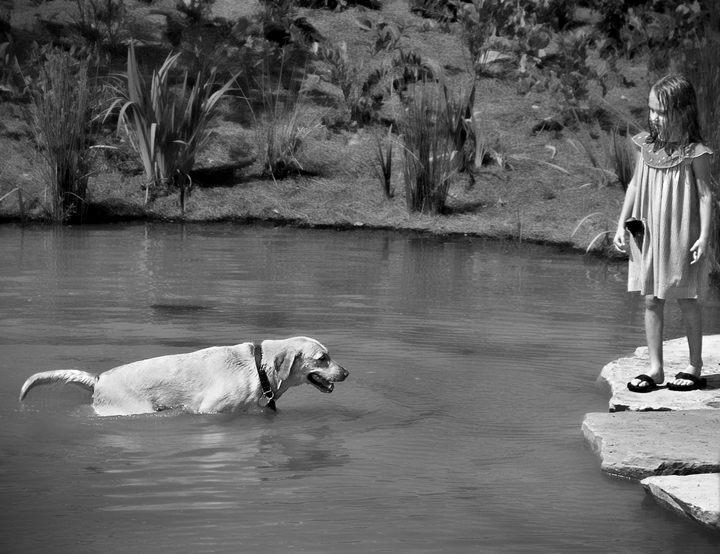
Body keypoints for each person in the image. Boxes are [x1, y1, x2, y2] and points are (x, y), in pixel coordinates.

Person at [613, 74, 714, 393]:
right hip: (648, 232)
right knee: (651, 300)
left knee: (686, 298)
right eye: (652, 110)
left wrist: (705, 235)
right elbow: (633, 185)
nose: (654, 117)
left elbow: (705, 195)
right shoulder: (645, 145)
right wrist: (621, 222)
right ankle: (656, 369)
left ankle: (694, 366)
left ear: (682, 111)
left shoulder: (695, 152)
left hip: (681, 233)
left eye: (661, 111)